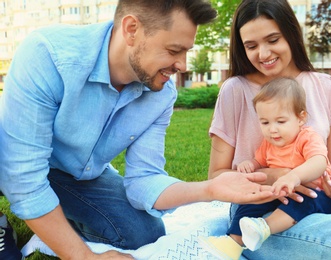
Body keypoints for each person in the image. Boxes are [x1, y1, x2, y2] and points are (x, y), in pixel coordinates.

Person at [0, 1, 280, 259]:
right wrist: (83, 257)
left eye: (186, 51)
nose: (182, 65)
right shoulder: (49, 55)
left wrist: (208, 189)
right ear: (132, 29)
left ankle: (53, 225)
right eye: (173, 50)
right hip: (13, 157)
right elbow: (23, 177)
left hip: (72, 174)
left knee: (144, 233)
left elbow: (143, 180)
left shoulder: (161, 93)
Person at [207, 0, 331, 259]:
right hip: (259, 209)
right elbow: (216, 175)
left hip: (321, 198)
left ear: (291, 34)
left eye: (273, 39)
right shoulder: (234, 90)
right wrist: (279, 175)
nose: (263, 53)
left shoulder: (330, 88)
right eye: (251, 46)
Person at [201, 77, 331, 259]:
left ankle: (264, 227)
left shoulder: (307, 137)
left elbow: (319, 162)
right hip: (281, 192)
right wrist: (249, 164)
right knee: (251, 200)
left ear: (301, 118)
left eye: (280, 122)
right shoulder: (269, 144)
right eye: (265, 123)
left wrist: (294, 177)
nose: (272, 130)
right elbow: (259, 161)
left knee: (301, 200)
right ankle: (232, 242)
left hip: (318, 194)